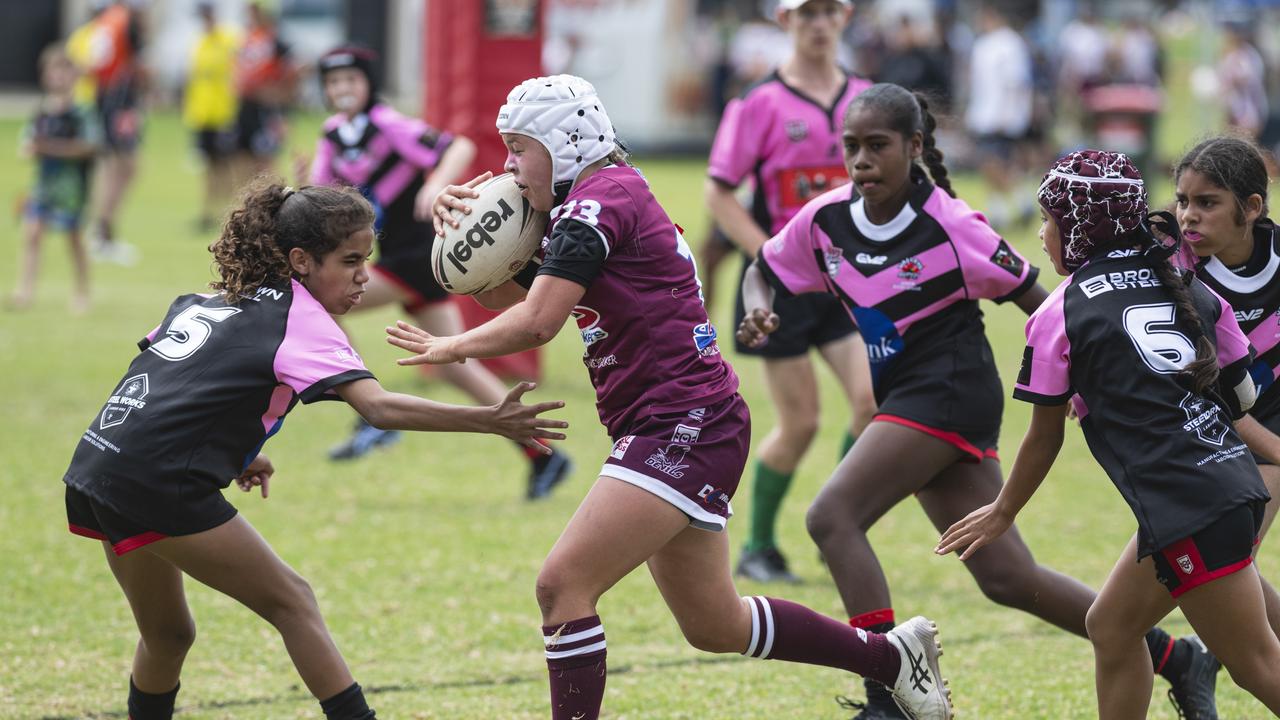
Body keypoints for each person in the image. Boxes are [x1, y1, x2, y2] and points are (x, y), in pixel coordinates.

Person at [391, 74, 953, 720]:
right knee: (714, 624)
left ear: (565, 143)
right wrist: (465, 232)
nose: (509, 164)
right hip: (679, 420)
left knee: (562, 585)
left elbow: (538, 320)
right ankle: (892, 657)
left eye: (521, 148)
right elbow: (502, 294)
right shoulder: (590, 202)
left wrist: (451, 348)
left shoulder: (596, 206)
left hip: (684, 422)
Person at [737, 85, 1221, 719]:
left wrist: (1092, 376)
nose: (861, 161)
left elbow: (1043, 300)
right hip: (909, 398)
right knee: (1006, 578)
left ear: (914, 147)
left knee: (832, 516)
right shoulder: (825, 219)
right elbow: (763, 270)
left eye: (877, 146)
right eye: (851, 147)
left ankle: (888, 694)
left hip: (950, 394)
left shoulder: (952, 225)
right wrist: (758, 310)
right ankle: (1175, 658)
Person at [62, 180, 568, 720]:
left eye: (367, 259)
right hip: (155, 480)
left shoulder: (210, 299)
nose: (363, 277)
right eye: (349, 261)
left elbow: (172, 375)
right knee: (292, 600)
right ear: (301, 260)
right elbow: (378, 409)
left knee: (167, 635)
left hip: (97, 464)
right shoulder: (303, 320)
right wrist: (490, 420)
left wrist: (231, 451)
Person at [937, 149, 1280, 718]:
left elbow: (1044, 438)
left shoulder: (1060, 311)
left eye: (1048, 220)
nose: (1042, 234)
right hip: (1221, 487)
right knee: (1112, 626)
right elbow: (1240, 401)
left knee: (1257, 665)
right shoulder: (1182, 283)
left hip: (1189, 506)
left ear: (1077, 226)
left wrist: (1002, 510)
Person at [307, 46, 572, 497]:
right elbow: (319, 193)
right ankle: (542, 453)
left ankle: (366, 412)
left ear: (369, 83)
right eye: (334, 83)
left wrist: (434, 184)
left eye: (352, 80)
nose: (343, 89)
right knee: (451, 363)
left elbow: (459, 146)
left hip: (424, 253)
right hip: (402, 258)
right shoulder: (333, 134)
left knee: (317, 299)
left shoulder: (388, 125)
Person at [705, 0, 877, 584]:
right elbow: (720, 196)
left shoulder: (869, 97)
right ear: (784, 22)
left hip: (848, 282)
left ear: (846, 17)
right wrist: (769, 256)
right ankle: (756, 545)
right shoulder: (759, 104)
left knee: (872, 403)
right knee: (800, 423)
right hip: (778, 289)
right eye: (807, 14)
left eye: (830, 11)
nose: (819, 23)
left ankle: (838, 525)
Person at [1173, 136, 1280, 638]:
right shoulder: (1169, 266)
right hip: (1208, 436)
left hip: (1270, 439)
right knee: (1225, 565)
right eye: (1182, 201)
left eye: (1207, 203)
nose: (1188, 216)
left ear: (1252, 207)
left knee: (1231, 559)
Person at [10, 44, 99, 313]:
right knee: (33, 234)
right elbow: (27, 143)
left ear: (74, 76)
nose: (58, 77)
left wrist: (49, 147)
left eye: (63, 71)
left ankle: (82, 291)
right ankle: (24, 291)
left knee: (73, 239)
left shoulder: (81, 112)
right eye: (53, 71)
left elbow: (89, 146)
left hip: (71, 189)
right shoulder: (41, 111)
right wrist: (30, 148)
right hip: (42, 187)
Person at [964, 2, 1034, 230]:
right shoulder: (981, 44)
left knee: (994, 162)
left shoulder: (1010, 43)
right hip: (982, 113)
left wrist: (1011, 113)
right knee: (990, 164)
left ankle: (1019, 203)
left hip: (1003, 115)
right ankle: (1003, 208)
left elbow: (1016, 82)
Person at [85, 0, 144, 265]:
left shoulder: (107, 20)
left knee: (115, 166)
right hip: (120, 100)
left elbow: (95, 63)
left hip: (108, 97)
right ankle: (103, 233)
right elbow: (134, 63)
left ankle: (102, 232)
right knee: (123, 166)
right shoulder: (125, 19)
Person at [183, 1, 240, 233]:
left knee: (226, 166)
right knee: (208, 166)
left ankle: (226, 212)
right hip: (203, 114)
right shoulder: (200, 43)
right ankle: (208, 211)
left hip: (224, 113)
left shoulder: (229, 41)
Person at [233, 2, 296, 182]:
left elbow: (296, 72)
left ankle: (274, 204)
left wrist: (282, 104)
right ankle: (248, 204)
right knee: (242, 159)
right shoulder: (247, 39)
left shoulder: (276, 41)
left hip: (267, 111)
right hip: (246, 107)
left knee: (266, 162)